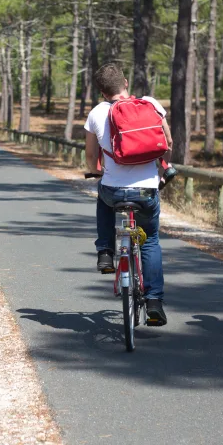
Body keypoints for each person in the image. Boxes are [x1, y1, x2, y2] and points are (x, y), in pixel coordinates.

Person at [84, 63, 173, 326]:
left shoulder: (97, 113)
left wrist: (96, 172)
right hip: (146, 190)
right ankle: (154, 301)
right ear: (125, 82)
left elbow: (91, 156)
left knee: (103, 194)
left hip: (114, 191)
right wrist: (162, 169)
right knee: (150, 240)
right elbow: (167, 143)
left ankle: (105, 252)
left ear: (102, 92)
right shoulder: (150, 103)